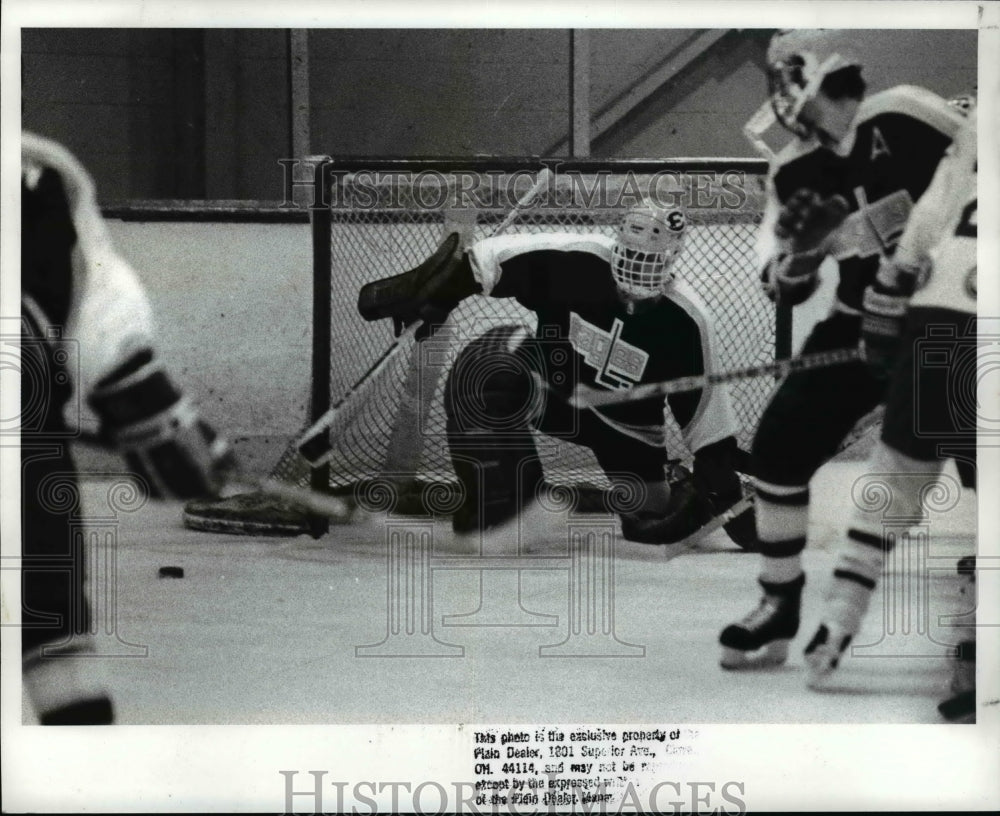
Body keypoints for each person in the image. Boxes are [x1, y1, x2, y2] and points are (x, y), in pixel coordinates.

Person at [718, 29, 965, 669]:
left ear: (810, 69)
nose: (777, 92)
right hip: (857, 326)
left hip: (946, 320)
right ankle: (779, 604)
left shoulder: (909, 112)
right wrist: (804, 254)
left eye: (781, 74)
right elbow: (778, 284)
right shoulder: (792, 169)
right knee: (776, 449)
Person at [357, 201, 754, 547]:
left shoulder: (687, 320)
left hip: (628, 427)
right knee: (485, 368)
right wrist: (439, 294)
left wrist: (723, 496)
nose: (637, 269)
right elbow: (486, 261)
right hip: (553, 391)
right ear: (617, 242)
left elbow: (707, 424)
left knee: (650, 521)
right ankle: (507, 508)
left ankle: (674, 482)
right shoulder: (578, 259)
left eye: (651, 260)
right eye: (632, 254)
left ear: (671, 260)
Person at [19, 132, 235, 723]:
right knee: (52, 634)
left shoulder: (35, 174)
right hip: (25, 454)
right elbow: (100, 316)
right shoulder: (33, 173)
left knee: (53, 636)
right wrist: (151, 414)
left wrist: (148, 410)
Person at [803, 103, 978, 720]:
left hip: (945, 301)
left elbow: (938, 201)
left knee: (896, 476)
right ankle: (979, 649)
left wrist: (896, 278)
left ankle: (835, 625)